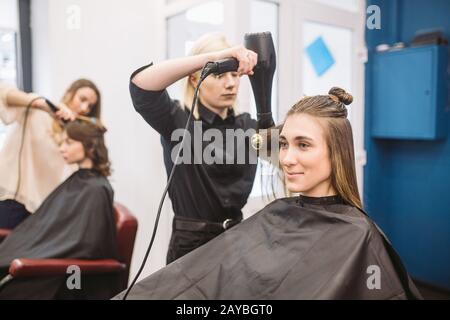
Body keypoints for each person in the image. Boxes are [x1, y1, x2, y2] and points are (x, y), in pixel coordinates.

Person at [115, 87, 422, 300]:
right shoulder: (279, 214)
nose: (286, 158)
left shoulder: (358, 236)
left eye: (303, 145)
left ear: (338, 152)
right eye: (284, 144)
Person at [130, 33, 260, 264]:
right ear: (194, 79)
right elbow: (141, 84)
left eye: (234, 74)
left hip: (236, 242)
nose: (230, 83)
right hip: (190, 247)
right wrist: (214, 57)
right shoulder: (177, 120)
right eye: (219, 74)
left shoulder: (249, 126)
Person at [0, 120, 119, 300]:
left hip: (68, 275)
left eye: (69, 143)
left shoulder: (96, 189)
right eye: (62, 142)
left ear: (90, 146)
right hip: (47, 258)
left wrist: (35, 253)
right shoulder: (79, 179)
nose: (62, 148)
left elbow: (88, 245)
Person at [0, 79, 102, 229]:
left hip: (40, 212)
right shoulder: (37, 112)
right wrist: (41, 105)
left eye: (90, 106)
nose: (85, 108)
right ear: (69, 93)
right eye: (82, 99)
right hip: (10, 200)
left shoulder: (73, 140)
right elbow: (3, 93)